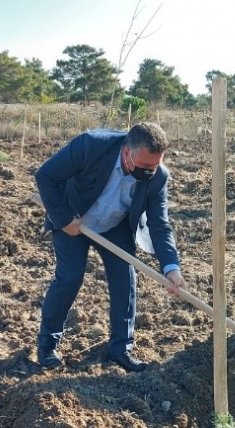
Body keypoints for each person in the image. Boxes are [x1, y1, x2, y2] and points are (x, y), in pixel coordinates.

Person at [35, 122, 186, 372]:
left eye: (156, 166)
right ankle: (47, 346)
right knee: (69, 278)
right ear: (127, 152)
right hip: (75, 219)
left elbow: (159, 224)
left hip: (116, 226)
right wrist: (63, 218)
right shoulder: (91, 146)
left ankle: (120, 349)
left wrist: (171, 268)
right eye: (146, 166)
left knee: (125, 281)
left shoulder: (158, 177)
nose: (151, 172)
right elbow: (46, 176)